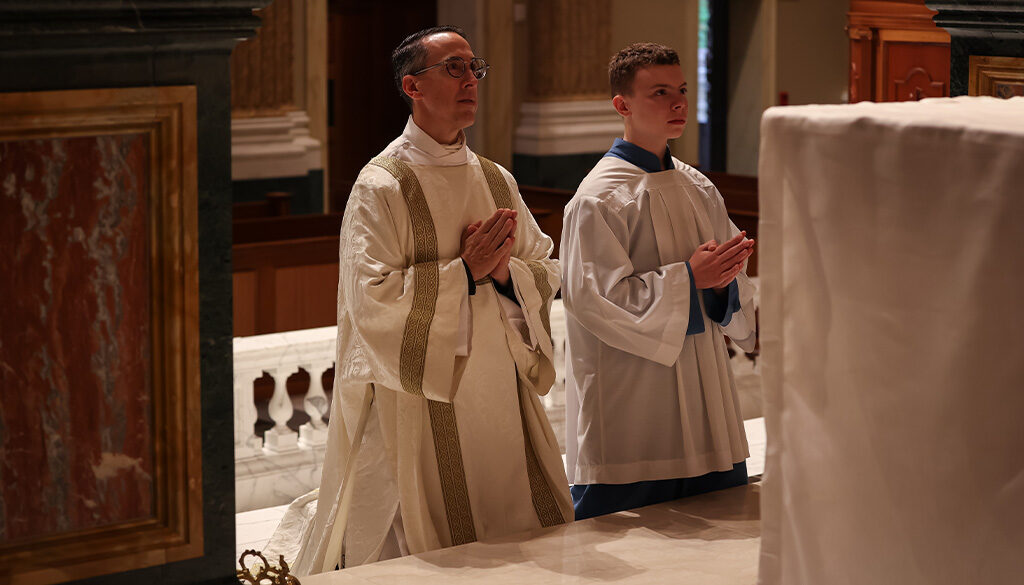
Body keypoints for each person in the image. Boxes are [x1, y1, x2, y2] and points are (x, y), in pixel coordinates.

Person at [268, 26, 572, 573]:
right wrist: (466, 273)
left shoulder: (496, 180)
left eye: (474, 68)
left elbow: (544, 267)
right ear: (413, 85)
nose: (469, 80)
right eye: (453, 68)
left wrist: (507, 277)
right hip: (420, 396)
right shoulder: (381, 185)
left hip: (498, 387)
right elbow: (372, 300)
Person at [560, 42, 757, 521]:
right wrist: (689, 279)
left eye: (683, 90)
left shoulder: (697, 185)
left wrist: (720, 284)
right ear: (622, 106)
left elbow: (731, 284)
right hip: (633, 399)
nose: (679, 104)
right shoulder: (598, 198)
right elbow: (594, 300)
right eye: (661, 92)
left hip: (705, 390)